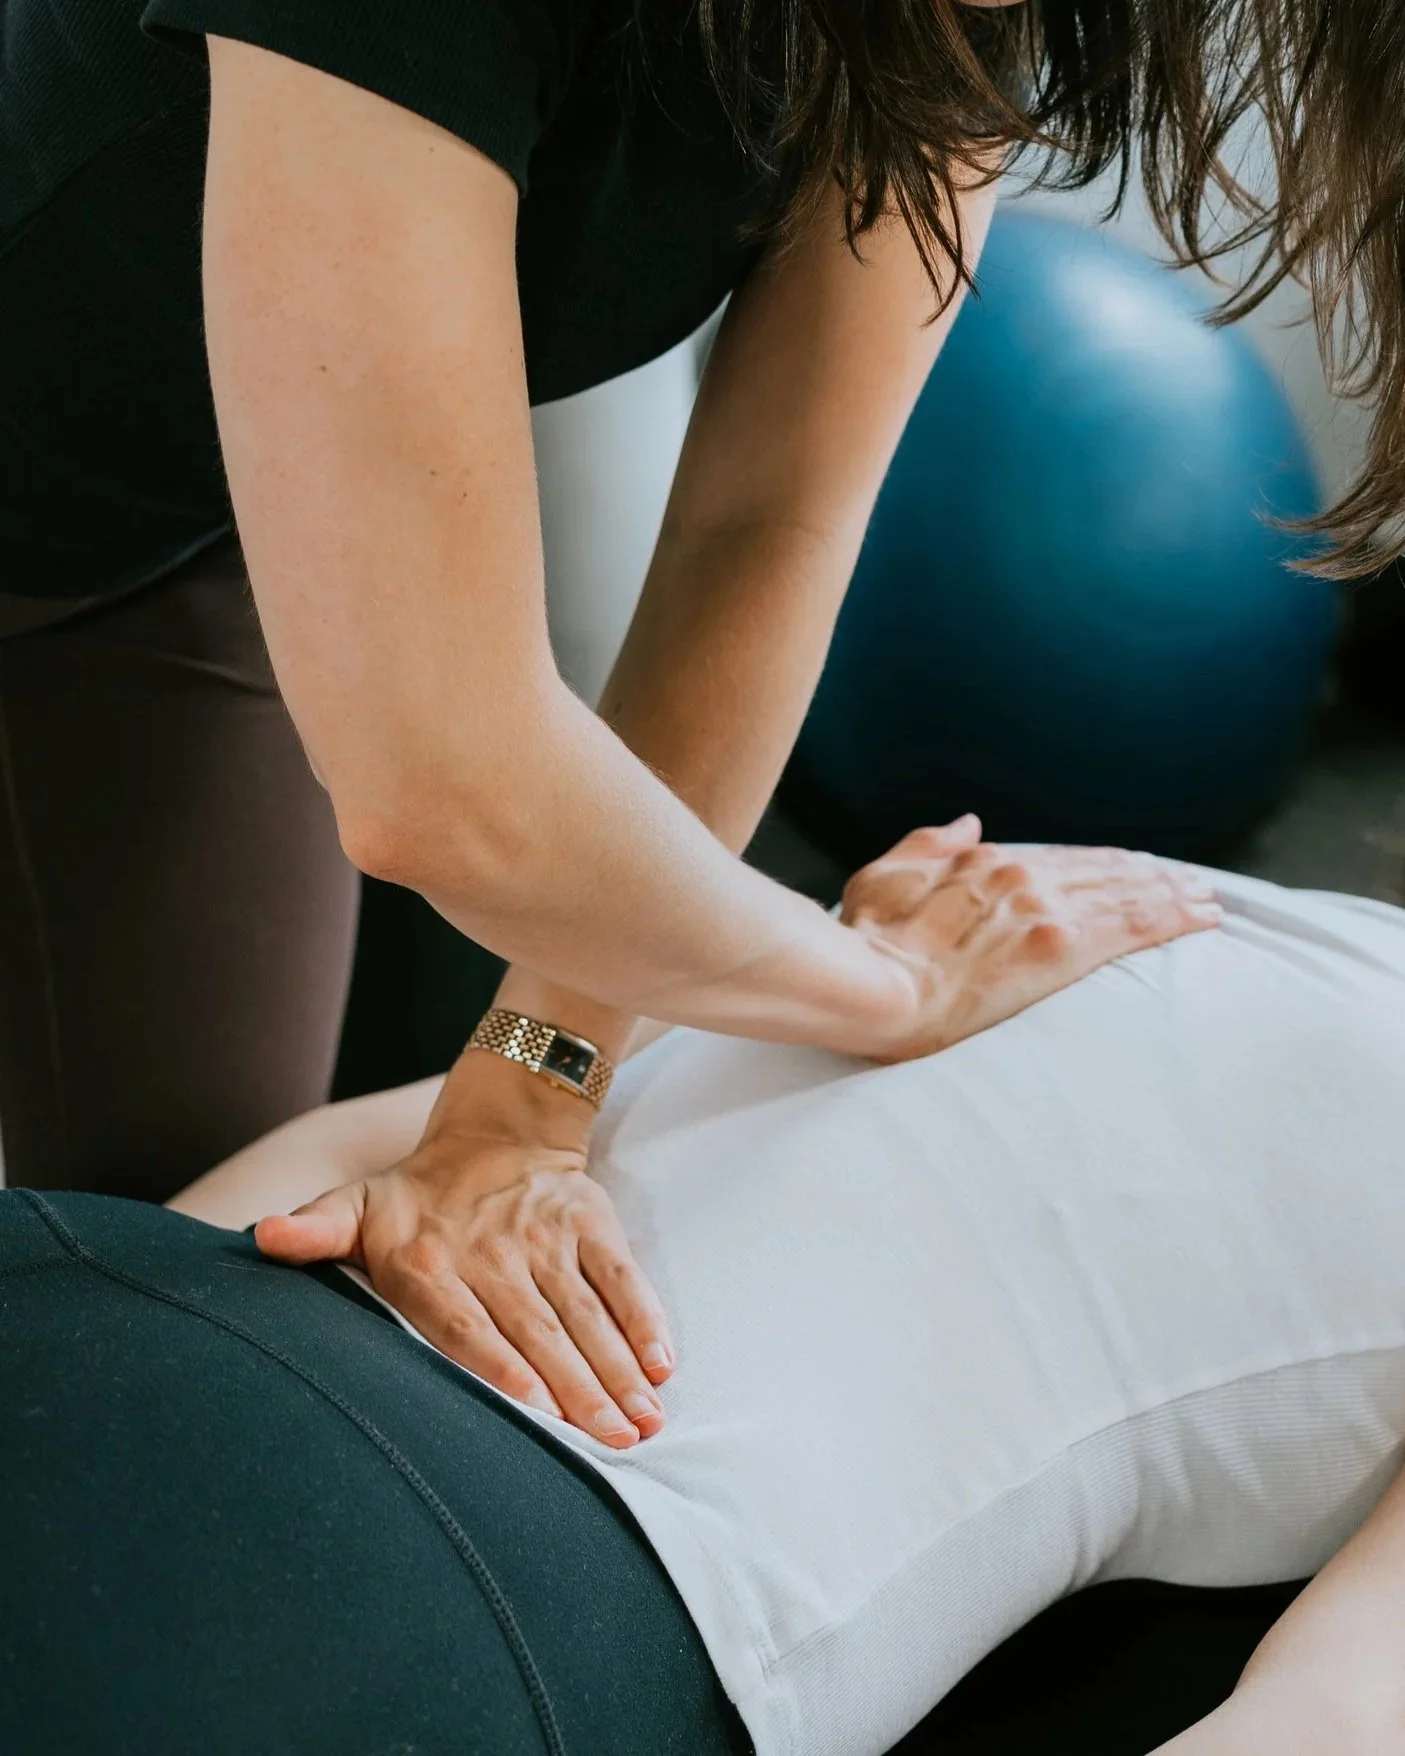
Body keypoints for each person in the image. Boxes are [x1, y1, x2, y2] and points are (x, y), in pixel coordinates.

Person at [1, 0, 1397, 1422]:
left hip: (159, 535)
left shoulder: (964, 21)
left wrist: (528, 1104)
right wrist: (881, 988)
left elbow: (764, 519)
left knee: (149, 1310)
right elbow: (443, 779)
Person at [5, 847, 1405, 1755]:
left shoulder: (1101, 901)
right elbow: (1329, 1725)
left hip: (133, 1308)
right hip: (478, 1598)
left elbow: (358, 1154)